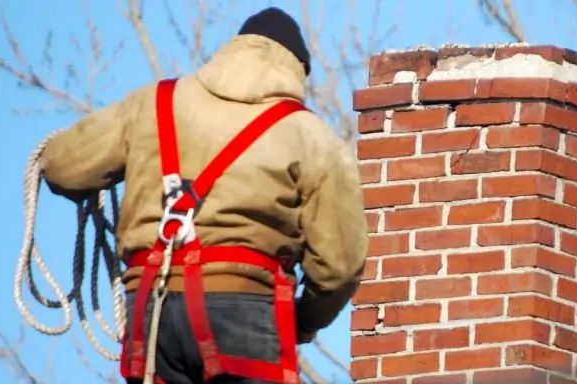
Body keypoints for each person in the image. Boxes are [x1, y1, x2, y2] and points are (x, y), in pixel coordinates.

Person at [38, 7, 368, 384]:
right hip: (245, 305)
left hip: (152, 308)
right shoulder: (311, 135)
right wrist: (306, 320)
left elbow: (61, 166)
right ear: (298, 69)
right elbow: (339, 267)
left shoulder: (152, 103)